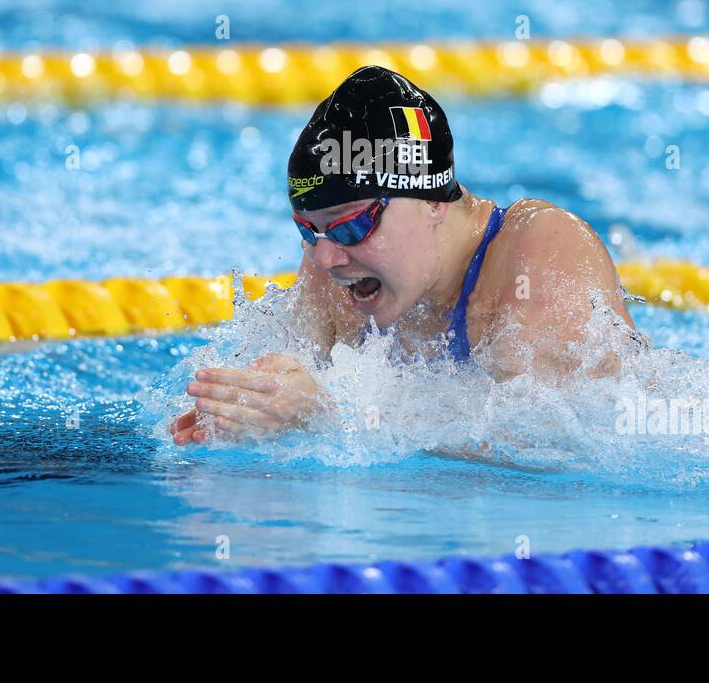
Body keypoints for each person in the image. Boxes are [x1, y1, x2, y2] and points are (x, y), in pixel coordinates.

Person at [170, 65, 639, 445]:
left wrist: (330, 416)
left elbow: (547, 451)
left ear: (433, 199)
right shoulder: (337, 263)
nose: (325, 259)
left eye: (352, 223)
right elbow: (287, 387)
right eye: (308, 231)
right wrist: (244, 412)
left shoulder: (539, 253)